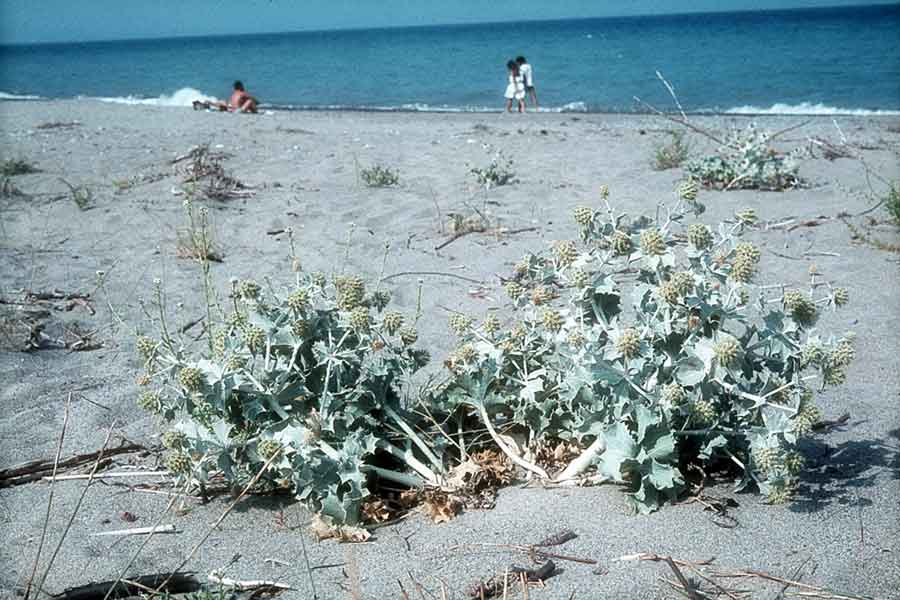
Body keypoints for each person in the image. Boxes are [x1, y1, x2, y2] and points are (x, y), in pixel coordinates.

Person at [193, 80, 258, 113]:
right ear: (241, 87)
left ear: (234, 88)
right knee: (250, 101)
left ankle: (207, 103)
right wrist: (257, 104)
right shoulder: (242, 93)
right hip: (237, 110)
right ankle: (255, 112)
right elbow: (253, 99)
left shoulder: (234, 94)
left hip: (229, 108)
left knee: (223, 101)